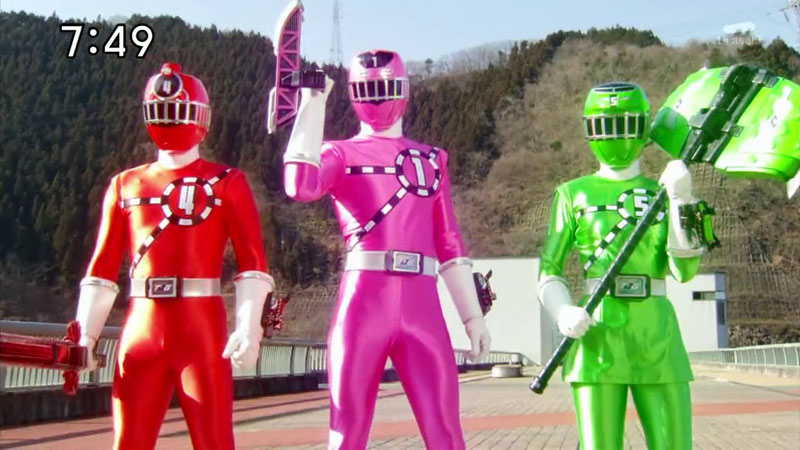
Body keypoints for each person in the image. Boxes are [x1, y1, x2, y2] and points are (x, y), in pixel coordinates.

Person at [283, 49, 491, 450]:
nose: (378, 98)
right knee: (347, 431)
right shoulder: (339, 153)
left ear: (403, 90)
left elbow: (449, 242)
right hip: (368, 302)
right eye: (368, 90)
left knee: (445, 432)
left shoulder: (433, 159)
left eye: (385, 88)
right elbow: (300, 185)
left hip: (407, 301)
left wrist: (473, 316)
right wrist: (312, 104)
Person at [75, 62, 272, 450]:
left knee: (213, 440)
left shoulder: (226, 183)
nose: (170, 119)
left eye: (177, 110)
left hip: (184, 328)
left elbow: (253, 264)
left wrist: (250, 328)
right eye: (162, 110)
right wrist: (84, 333)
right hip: (164, 326)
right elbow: (101, 269)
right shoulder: (127, 184)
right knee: (130, 441)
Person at [538, 82, 707, 449]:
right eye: (605, 125)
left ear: (644, 128)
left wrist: (683, 199)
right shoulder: (572, 194)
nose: (615, 136)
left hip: (655, 333)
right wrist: (562, 310)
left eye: (625, 124)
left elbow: (685, 271)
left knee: (674, 444)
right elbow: (549, 268)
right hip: (598, 332)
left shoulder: (665, 191)